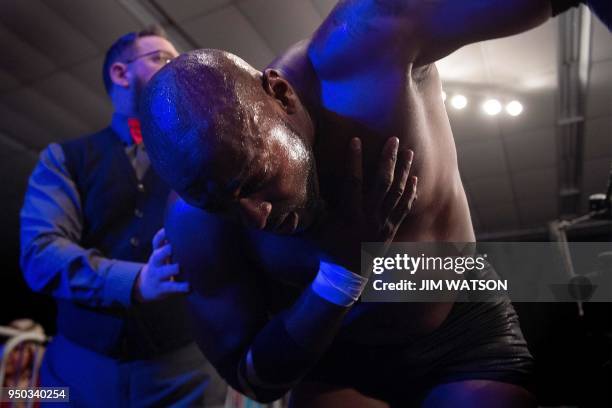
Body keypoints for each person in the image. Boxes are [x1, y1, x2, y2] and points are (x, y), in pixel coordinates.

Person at [139, 1, 611, 407]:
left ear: (282, 95)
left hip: (460, 324)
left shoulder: (369, 48)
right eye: (223, 202)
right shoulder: (194, 219)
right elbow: (252, 377)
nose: (256, 215)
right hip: (338, 356)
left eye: (256, 179)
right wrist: (340, 273)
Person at [20, 25, 226, 407]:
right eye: (161, 58)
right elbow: (39, 255)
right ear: (121, 73)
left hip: (187, 372)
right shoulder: (63, 158)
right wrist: (136, 281)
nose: (178, 68)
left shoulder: (204, 158)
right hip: (73, 368)